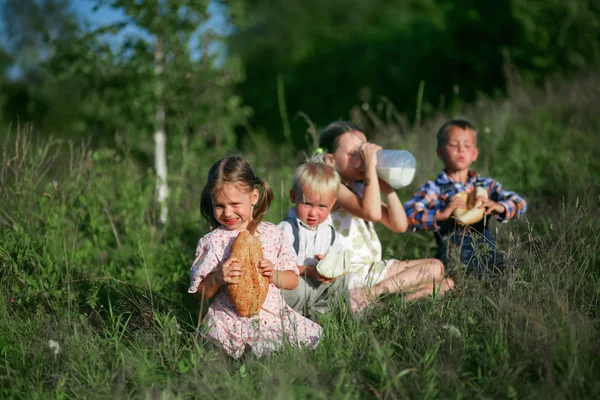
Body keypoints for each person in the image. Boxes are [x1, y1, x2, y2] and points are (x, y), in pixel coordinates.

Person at [188, 155, 322, 358]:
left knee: (292, 342)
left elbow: (293, 280)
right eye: (219, 206)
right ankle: (248, 355)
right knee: (224, 350)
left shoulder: (274, 234)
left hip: (272, 315)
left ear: (254, 197)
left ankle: (262, 355)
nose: (228, 213)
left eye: (235, 204)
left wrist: (273, 275)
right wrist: (217, 278)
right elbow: (199, 294)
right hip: (228, 319)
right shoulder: (212, 241)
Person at [319, 121, 454, 311]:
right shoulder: (330, 186)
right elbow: (372, 212)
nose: (363, 159)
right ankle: (370, 294)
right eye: (354, 154)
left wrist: (386, 186)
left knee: (444, 279)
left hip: (371, 269)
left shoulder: (360, 188)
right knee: (435, 268)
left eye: (364, 152)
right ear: (331, 160)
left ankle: (386, 306)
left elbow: (399, 224)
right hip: (350, 271)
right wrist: (370, 171)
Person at [404, 119, 528, 276]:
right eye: (453, 145)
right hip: (453, 258)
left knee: (511, 269)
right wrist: (441, 214)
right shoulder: (434, 189)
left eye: (467, 146)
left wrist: (499, 206)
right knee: (458, 272)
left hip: (486, 252)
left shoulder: (485, 185)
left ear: (475, 154)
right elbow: (408, 213)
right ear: (440, 152)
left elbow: (520, 202)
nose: (461, 149)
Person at [278, 154, 349, 319]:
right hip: (297, 285)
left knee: (343, 280)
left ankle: (319, 315)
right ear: (293, 197)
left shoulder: (329, 232)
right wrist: (309, 271)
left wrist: (330, 265)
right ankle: (290, 317)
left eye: (322, 206)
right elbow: (279, 269)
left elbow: (339, 257)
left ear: (332, 204)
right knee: (295, 289)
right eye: (307, 204)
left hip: (317, 285)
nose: (313, 213)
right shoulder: (286, 229)